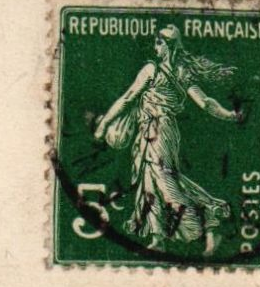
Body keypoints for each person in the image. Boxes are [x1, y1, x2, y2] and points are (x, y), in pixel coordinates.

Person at [93, 24, 246, 249]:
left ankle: (209, 221)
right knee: (150, 181)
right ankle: (158, 237)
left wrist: (105, 123)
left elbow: (127, 99)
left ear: (168, 45)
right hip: (151, 132)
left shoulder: (152, 70)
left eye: (159, 43)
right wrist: (230, 115)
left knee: (165, 182)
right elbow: (205, 103)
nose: (155, 47)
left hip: (160, 132)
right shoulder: (183, 72)